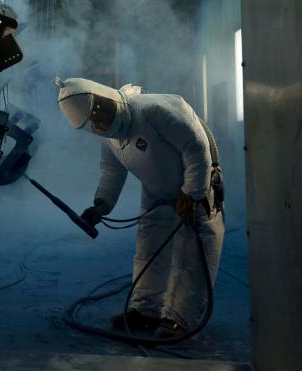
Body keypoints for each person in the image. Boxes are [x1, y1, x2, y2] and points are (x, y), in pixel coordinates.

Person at [55, 77, 225, 338]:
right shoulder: (111, 138)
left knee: (192, 252)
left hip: (197, 189)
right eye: (94, 122)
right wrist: (102, 205)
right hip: (157, 192)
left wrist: (193, 193)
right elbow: (111, 173)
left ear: (107, 97)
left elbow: (197, 146)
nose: (101, 123)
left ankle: (180, 319)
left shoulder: (155, 110)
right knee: (149, 249)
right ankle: (144, 311)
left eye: (101, 112)